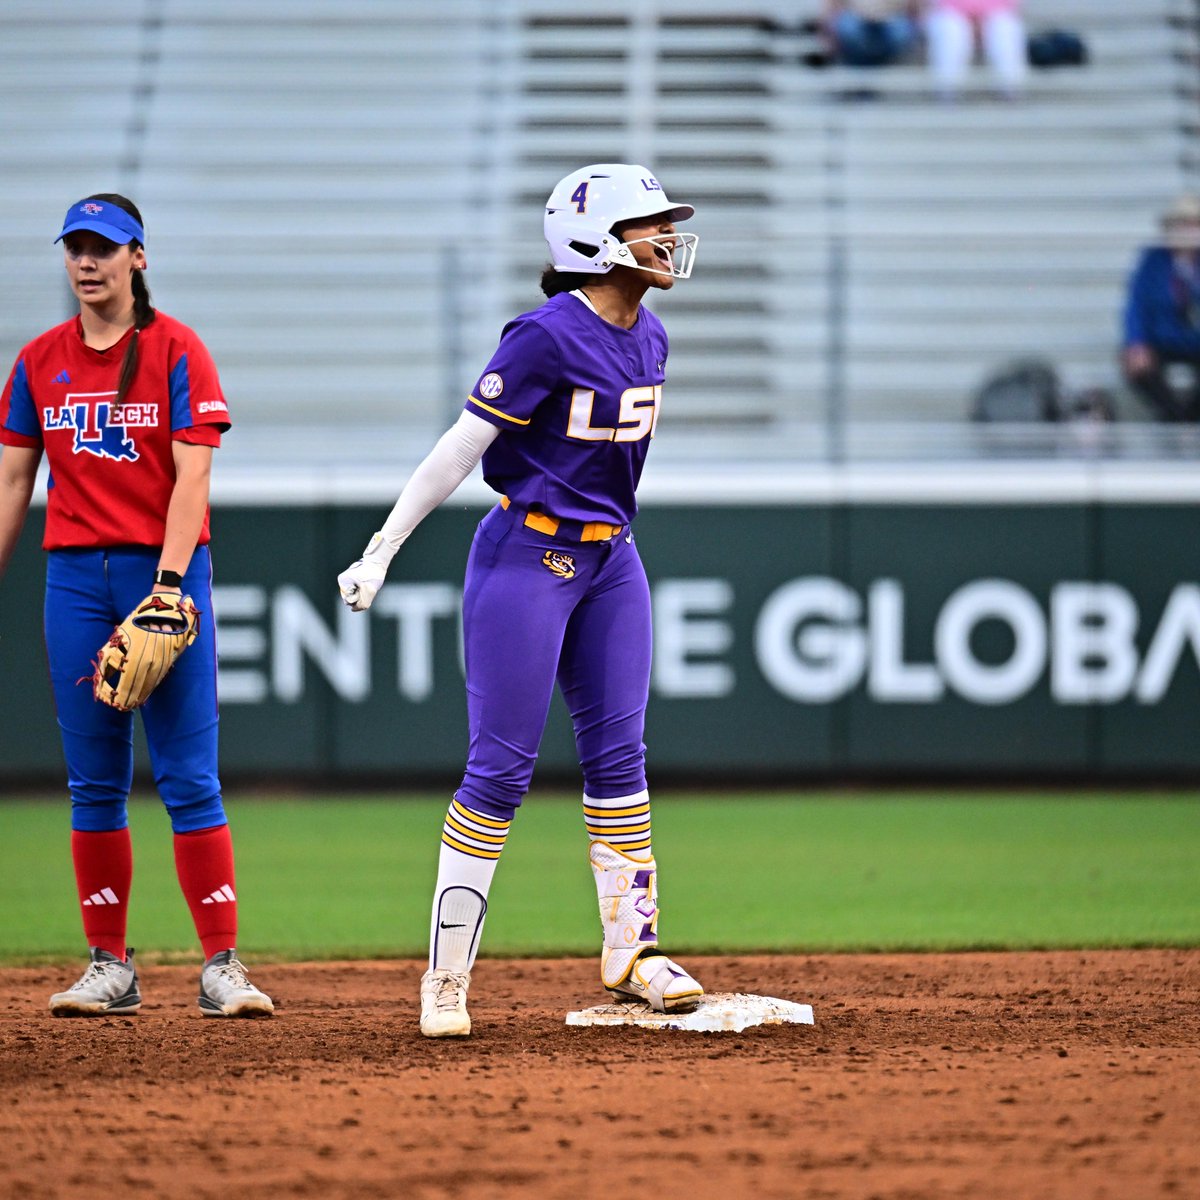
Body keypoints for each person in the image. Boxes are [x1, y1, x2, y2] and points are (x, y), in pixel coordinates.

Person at [337, 164, 705, 1037]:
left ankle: (633, 952)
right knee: (500, 769)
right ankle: (446, 978)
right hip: (527, 556)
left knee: (621, 761)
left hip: (611, 560)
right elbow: (461, 447)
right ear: (599, 241)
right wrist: (382, 547)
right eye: (649, 224)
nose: (665, 239)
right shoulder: (543, 335)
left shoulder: (650, 335)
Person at [0, 195, 273, 1018]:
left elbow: (194, 475)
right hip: (75, 579)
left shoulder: (177, 350)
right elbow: (15, 481)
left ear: (138, 258)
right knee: (93, 783)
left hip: (167, 578)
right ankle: (108, 966)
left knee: (190, 779)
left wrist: (168, 583)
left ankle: (222, 964)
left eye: (105, 249)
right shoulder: (38, 361)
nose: (88, 263)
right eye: (77, 249)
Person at [1122, 194, 1200, 422]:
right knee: (1138, 367)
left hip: (1195, 341)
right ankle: (1176, 419)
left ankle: (1191, 419)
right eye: (1183, 224)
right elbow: (1136, 305)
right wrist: (1136, 343)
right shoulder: (1153, 260)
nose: (1189, 231)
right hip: (1161, 341)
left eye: (1194, 224)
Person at [924, 0, 1026, 100]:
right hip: (950, 13)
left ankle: (1010, 87)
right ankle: (947, 89)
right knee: (951, 29)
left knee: (1004, 27)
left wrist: (981, 20)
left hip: (994, 14)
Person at [823, 1, 921, 68]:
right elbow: (832, 10)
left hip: (890, 24)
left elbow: (913, 10)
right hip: (856, 25)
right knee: (848, 27)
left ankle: (865, 72)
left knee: (902, 29)